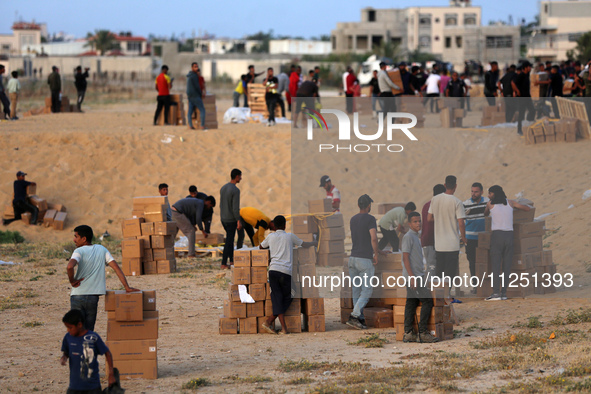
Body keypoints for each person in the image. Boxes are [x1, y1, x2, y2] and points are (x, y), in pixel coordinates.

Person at [67, 225, 139, 331]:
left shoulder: (79, 251)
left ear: (84, 239)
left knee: (76, 330)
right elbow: (116, 268)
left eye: (76, 237)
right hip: (93, 297)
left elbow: (69, 266)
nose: (74, 240)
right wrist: (126, 287)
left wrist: (72, 281)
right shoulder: (102, 249)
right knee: (89, 331)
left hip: (77, 296)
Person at [260, 215, 316, 335]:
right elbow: (304, 244)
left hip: (273, 271)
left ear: (274, 225)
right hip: (285, 273)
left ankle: (270, 321)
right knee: (293, 292)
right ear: (285, 225)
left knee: (277, 297)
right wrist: (314, 242)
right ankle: (282, 328)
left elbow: (261, 246)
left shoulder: (270, 236)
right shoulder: (290, 236)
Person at [484, 185, 531, 301]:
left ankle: (495, 293)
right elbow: (527, 209)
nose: (488, 196)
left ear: (493, 194)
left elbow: (485, 213)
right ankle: (504, 293)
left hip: (497, 236)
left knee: (495, 266)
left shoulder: (490, 204)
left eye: (489, 193)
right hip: (509, 236)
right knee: (506, 266)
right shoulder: (510, 202)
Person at [346, 194, 385, 330]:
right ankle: (355, 315)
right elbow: (373, 238)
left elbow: (360, 238)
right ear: (369, 205)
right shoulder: (370, 219)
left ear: (358, 205)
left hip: (353, 259)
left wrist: (378, 251)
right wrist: (376, 254)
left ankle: (359, 319)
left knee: (356, 291)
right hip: (364, 260)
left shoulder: (353, 219)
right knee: (367, 291)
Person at [427, 175, 467, 301]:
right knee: (450, 273)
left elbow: (429, 218)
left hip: (439, 243)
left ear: (445, 185)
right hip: (452, 244)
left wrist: (440, 218)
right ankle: (447, 296)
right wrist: (464, 238)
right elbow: (461, 222)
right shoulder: (457, 202)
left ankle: (438, 296)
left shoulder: (435, 199)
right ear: (455, 186)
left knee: (439, 272)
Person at [402, 212, 439, 343]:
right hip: (413, 277)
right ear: (409, 224)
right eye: (415, 222)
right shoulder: (408, 237)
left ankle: (408, 333)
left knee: (411, 303)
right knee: (427, 301)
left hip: (417, 275)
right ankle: (422, 333)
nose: (418, 224)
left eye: (419, 221)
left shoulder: (415, 237)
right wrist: (412, 277)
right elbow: (405, 257)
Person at [61, 309, 116, 393]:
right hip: (74, 386)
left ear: (79, 325)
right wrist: (64, 357)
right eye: (67, 327)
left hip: (92, 387)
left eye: (70, 327)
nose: (68, 330)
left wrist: (111, 375)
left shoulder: (93, 337)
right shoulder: (68, 337)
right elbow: (66, 352)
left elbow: (107, 353)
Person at [463, 182, 489, 294]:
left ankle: (486, 285)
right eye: (472, 191)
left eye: (476, 191)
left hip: (484, 238)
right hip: (470, 238)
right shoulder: (465, 204)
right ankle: (475, 286)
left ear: (481, 192)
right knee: (472, 263)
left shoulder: (488, 202)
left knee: (486, 262)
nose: (473, 194)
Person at [421, 184, 446, 277]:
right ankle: (429, 290)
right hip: (432, 240)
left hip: (427, 240)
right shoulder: (436, 205)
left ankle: (431, 289)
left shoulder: (426, 205)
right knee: (432, 267)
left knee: (431, 266)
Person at [220, 169, 242, 269]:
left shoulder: (223, 188)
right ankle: (224, 263)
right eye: (240, 176)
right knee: (229, 241)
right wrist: (238, 220)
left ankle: (232, 260)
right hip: (231, 219)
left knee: (230, 239)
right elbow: (235, 208)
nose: (241, 178)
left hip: (223, 218)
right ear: (236, 176)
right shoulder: (235, 190)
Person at [512, 61, 535, 136]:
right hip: (522, 98)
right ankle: (519, 129)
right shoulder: (521, 75)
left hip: (527, 97)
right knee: (521, 114)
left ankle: (529, 123)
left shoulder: (527, 74)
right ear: (525, 67)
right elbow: (513, 83)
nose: (530, 68)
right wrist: (517, 91)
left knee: (532, 110)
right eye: (529, 67)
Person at [186, 62, 206, 130]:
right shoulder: (194, 76)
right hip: (195, 96)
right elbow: (197, 87)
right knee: (202, 110)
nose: (196, 68)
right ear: (192, 68)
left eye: (197, 66)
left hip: (190, 96)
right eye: (195, 67)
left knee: (190, 112)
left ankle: (190, 126)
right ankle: (202, 126)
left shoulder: (189, 76)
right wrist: (200, 94)